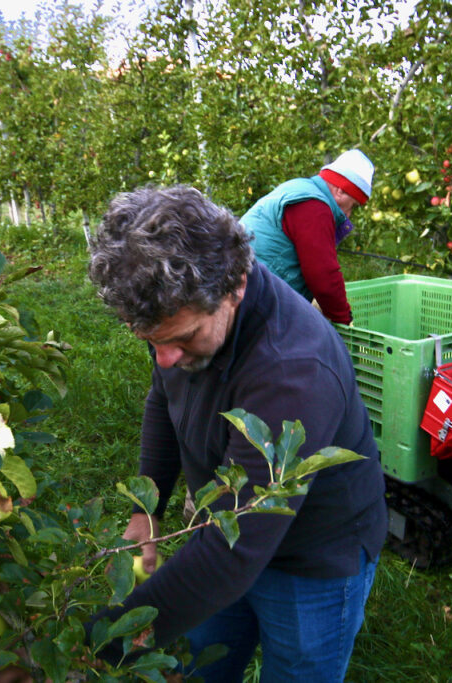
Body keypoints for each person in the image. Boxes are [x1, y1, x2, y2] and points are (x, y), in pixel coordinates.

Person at [87, 185, 387, 682]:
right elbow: (165, 397)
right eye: (151, 342)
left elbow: (234, 553)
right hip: (225, 528)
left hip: (311, 556)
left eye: (182, 340)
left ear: (236, 286)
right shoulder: (176, 307)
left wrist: (96, 647)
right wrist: (148, 505)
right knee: (206, 663)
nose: (165, 359)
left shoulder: (293, 369)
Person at [240, 148, 375, 325]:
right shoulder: (314, 207)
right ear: (340, 191)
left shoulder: (300, 188)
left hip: (241, 285)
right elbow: (323, 274)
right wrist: (343, 319)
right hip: (253, 297)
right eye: (353, 205)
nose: (348, 214)